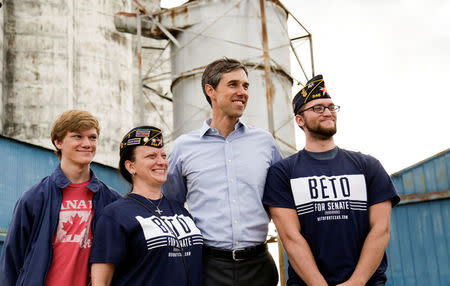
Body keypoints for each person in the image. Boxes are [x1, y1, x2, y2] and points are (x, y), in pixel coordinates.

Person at [263, 75, 400, 286]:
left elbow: (381, 230)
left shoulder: (368, 167)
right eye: (317, 108)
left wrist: (357, 282)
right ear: (300, 120)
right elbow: (291, 237)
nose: (327, 112)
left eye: (331, 107)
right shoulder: (283, 172)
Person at [162, 58, 281, 286]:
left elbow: (281, 202)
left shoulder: (265, 143)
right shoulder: (183, 148)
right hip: (208, 268)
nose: (242, 92)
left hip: (259, 267)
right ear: (211, 91)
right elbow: (171, 206)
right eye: (233, 84)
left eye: (245, 86)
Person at [0, 110, 121, 286]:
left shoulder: (111, 200)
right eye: (78, 137)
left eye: (92, 138)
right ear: (58, 142)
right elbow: (11, 261)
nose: (87, 144)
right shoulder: (34, 198)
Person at [90, 126, 203, 286]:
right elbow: (101, 282)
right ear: (131, 166)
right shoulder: (115, 215)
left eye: (163, 155)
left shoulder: (180, 210)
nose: (162, 162)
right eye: (151, 156)